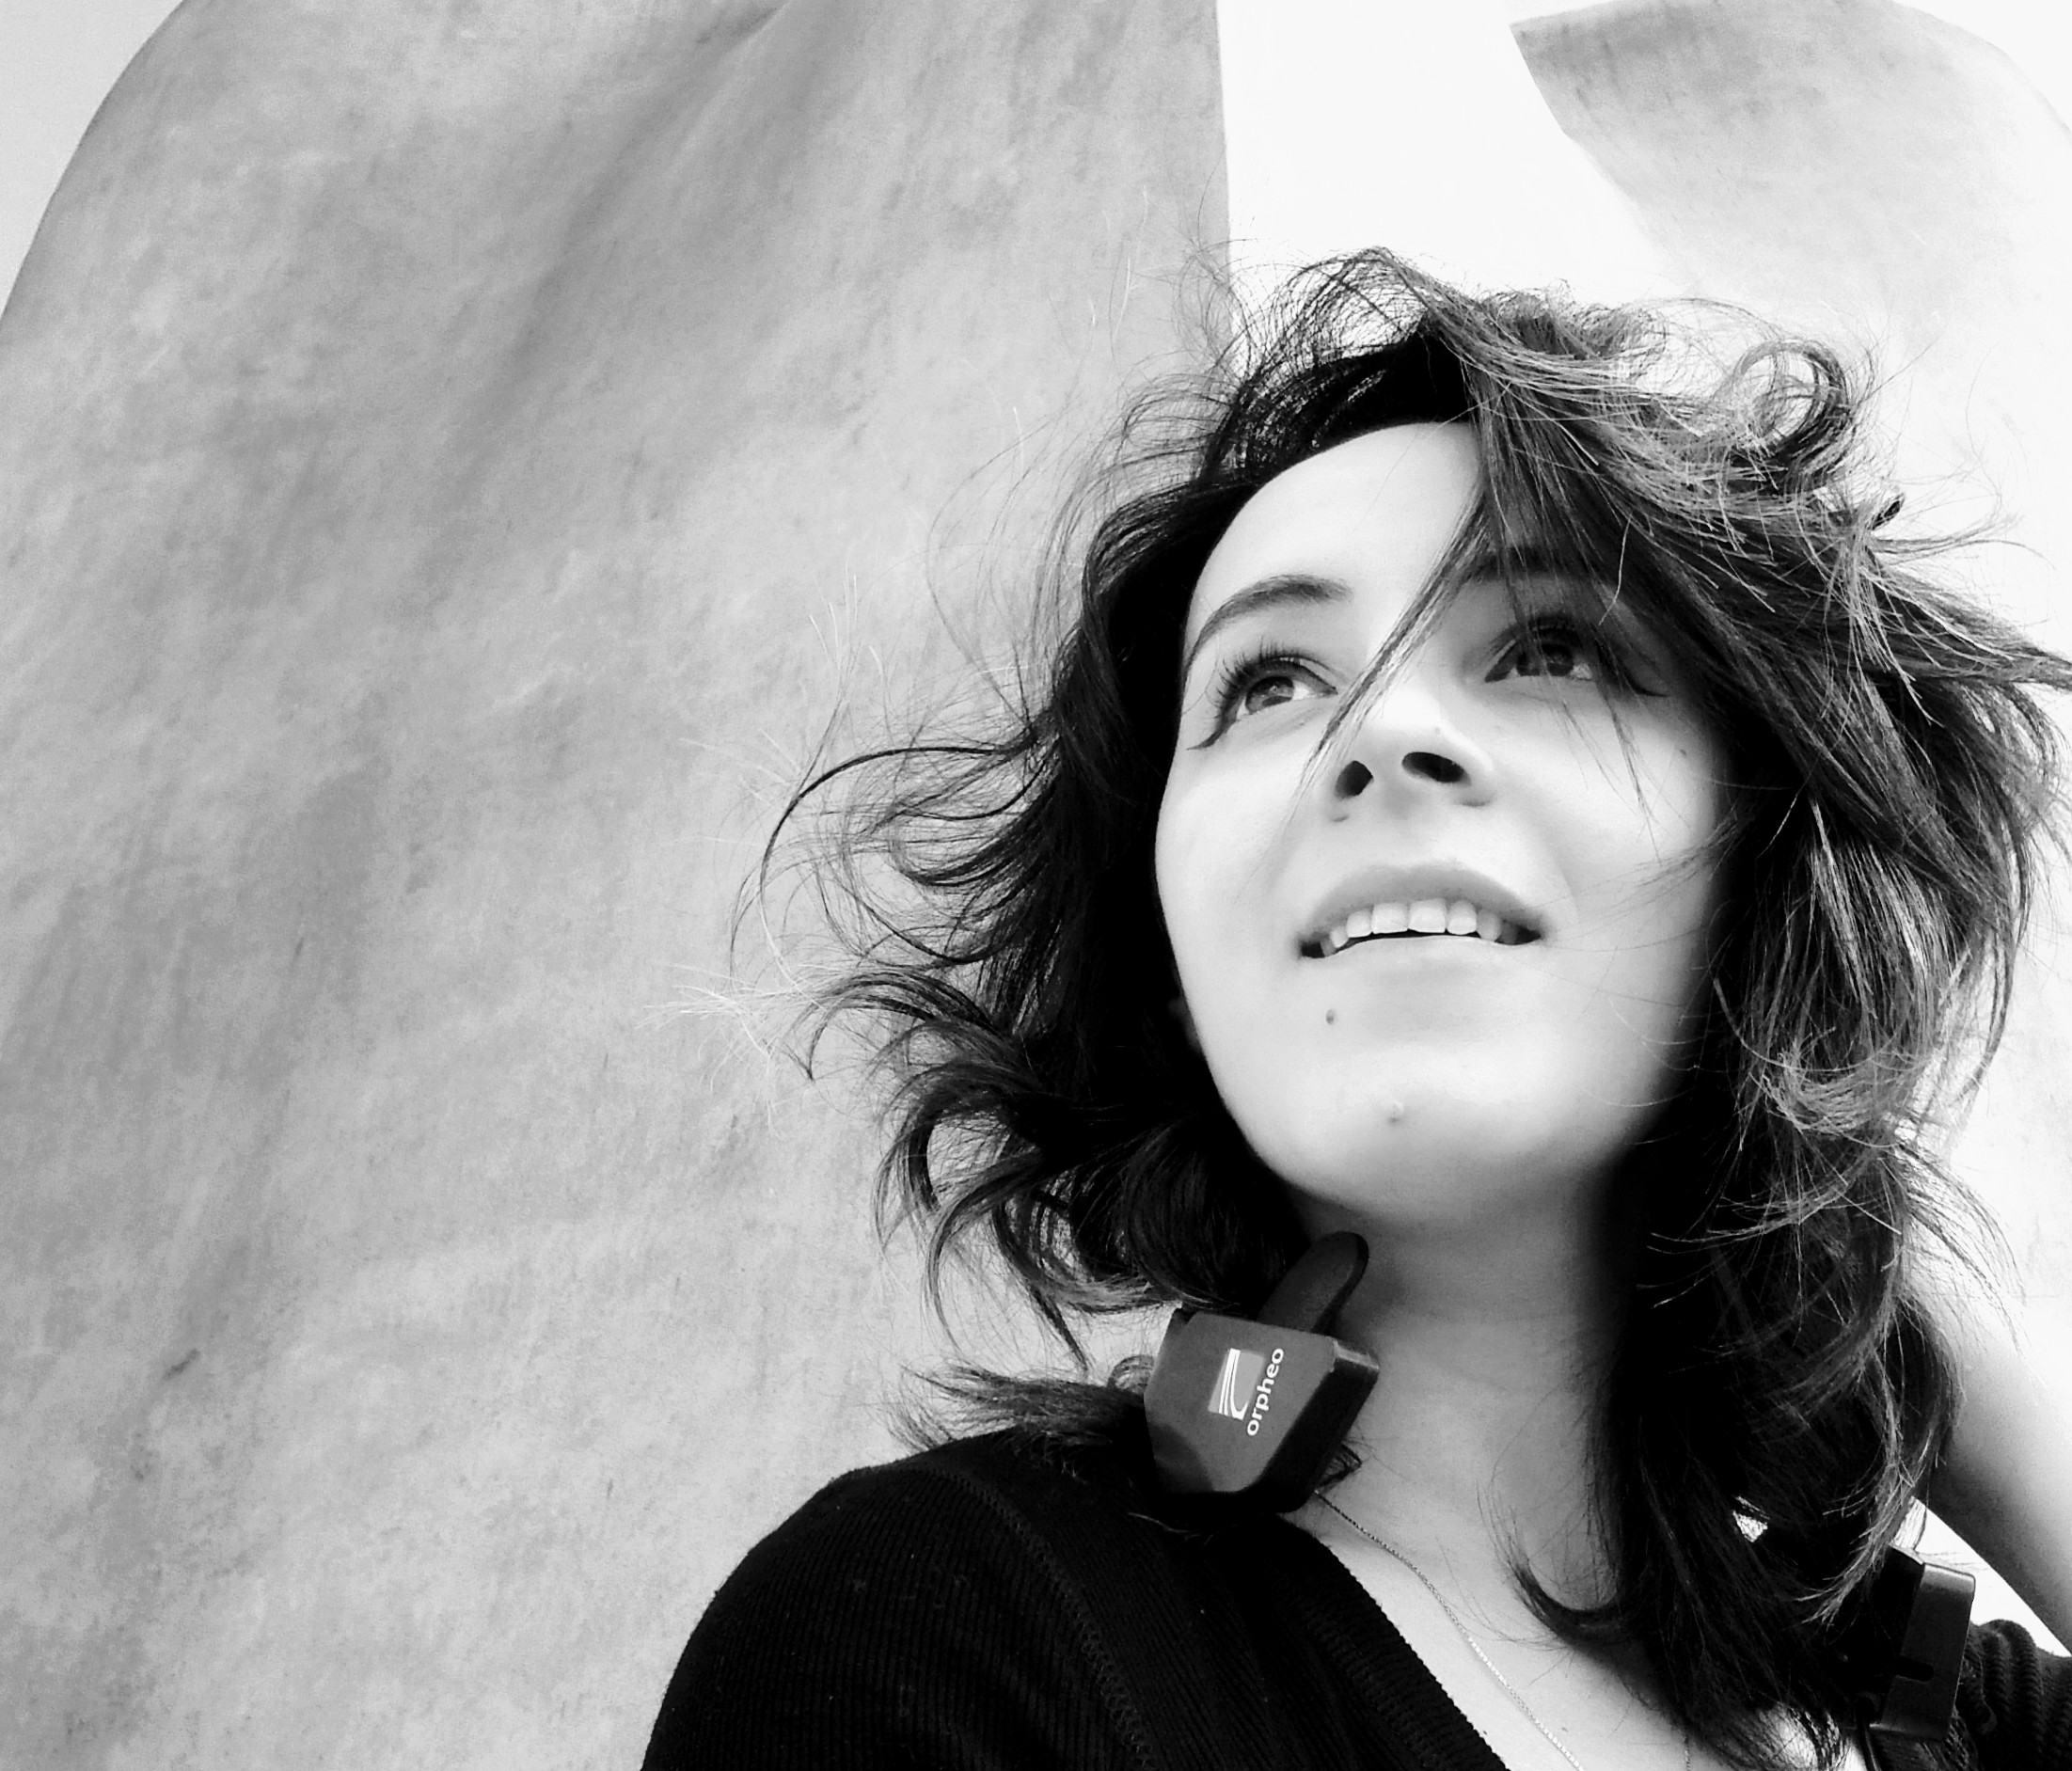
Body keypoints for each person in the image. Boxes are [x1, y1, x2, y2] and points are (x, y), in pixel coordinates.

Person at [645, 256, 2072, 1769]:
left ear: (1764, 863)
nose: (1382, 730)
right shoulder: (953, 1625)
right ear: (1173, 966)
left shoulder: (1951, 1722)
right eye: (1267, 683)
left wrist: (1945, 1366)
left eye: (1549, 649)